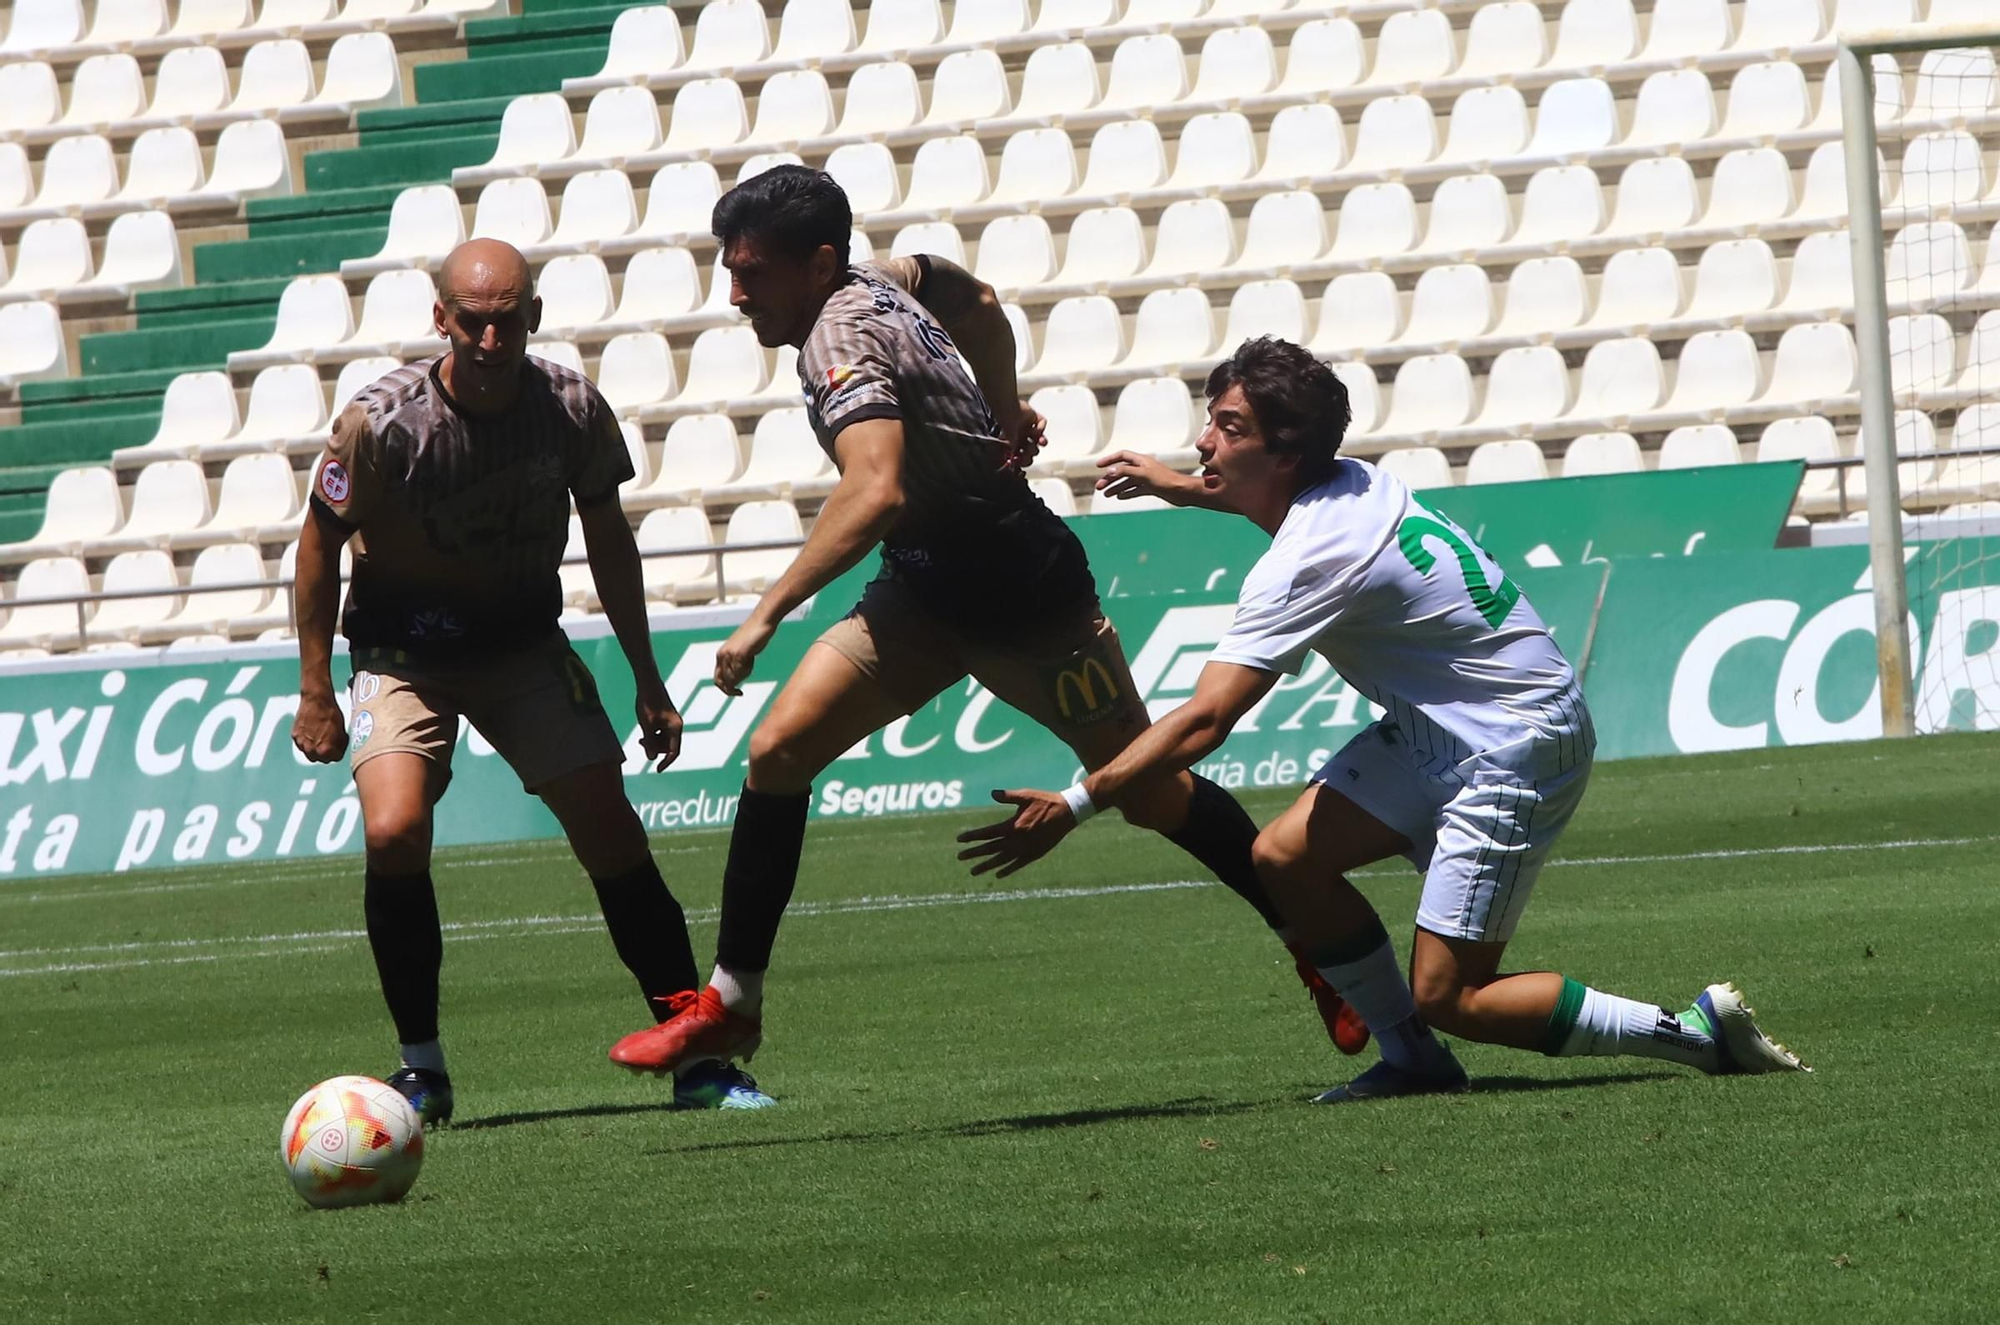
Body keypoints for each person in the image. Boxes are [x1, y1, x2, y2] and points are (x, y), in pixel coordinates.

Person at [608, 167, 1365, 1079]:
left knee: (1155, 795)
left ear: (815, 264)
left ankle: (1324, 953)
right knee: (778, 751)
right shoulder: (878, 277)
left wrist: (765, 613)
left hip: (1021, 592)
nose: (734, 294)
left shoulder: (835, 336)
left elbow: (875, 486)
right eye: (729, 269)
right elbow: (980, 298)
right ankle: (731, 1004)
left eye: (752, 272)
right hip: (923, 591)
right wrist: (1003, 406)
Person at [956, 336, 1810, 1101]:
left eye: (1225, 428)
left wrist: (1076, 803)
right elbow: (1273, 505)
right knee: (1283, 857)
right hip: (1450, 723)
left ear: (1284, 450)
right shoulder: (1347, 481)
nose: (1203, 441)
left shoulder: (1310, 558)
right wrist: (1183, 488)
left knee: (1456, 993)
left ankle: (1695, 1033)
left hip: (1517, 742)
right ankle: (1411, 1061)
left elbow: (1208, 718)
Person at [291, 238, 771, 1122]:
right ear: (442, 319)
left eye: (506, 319)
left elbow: (609, 538)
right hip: (403, 652)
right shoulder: (380, 420)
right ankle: (421, 1068)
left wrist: (647, 677)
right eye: (470, 320)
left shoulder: (573, 408)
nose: (488, 336)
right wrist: (316, 687)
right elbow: (318, 540)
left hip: (523, 646)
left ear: (532, 318)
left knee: (611, 832)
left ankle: (694, 1057)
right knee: (394, 830)